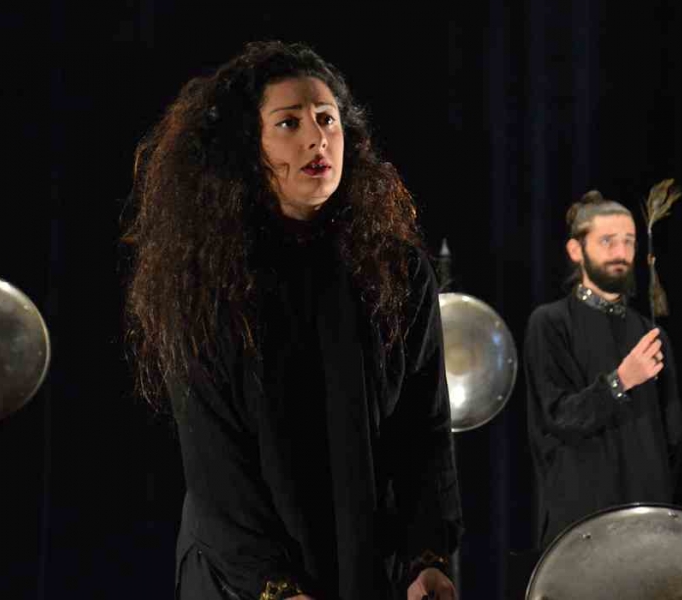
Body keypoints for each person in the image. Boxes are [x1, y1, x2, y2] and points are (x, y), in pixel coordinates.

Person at [122, 41, 462, 600]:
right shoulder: (208, 280)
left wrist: (428, 557)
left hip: (366, 562)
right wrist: (276, 589)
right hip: (240, 574)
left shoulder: (396, 271)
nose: (316, 138)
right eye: (289, 123)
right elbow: (216, 466)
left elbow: (423, 431)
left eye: (327, 119)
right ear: (247, 145)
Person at [524, 190, 682, 547]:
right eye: (607, 241)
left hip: (650, 524)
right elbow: (558, 416)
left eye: (628, 241)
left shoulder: (650, 332)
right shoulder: (550, 323)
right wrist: (621, 381)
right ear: (576, 250)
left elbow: (675, 442)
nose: (620, 252)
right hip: (581, 524)